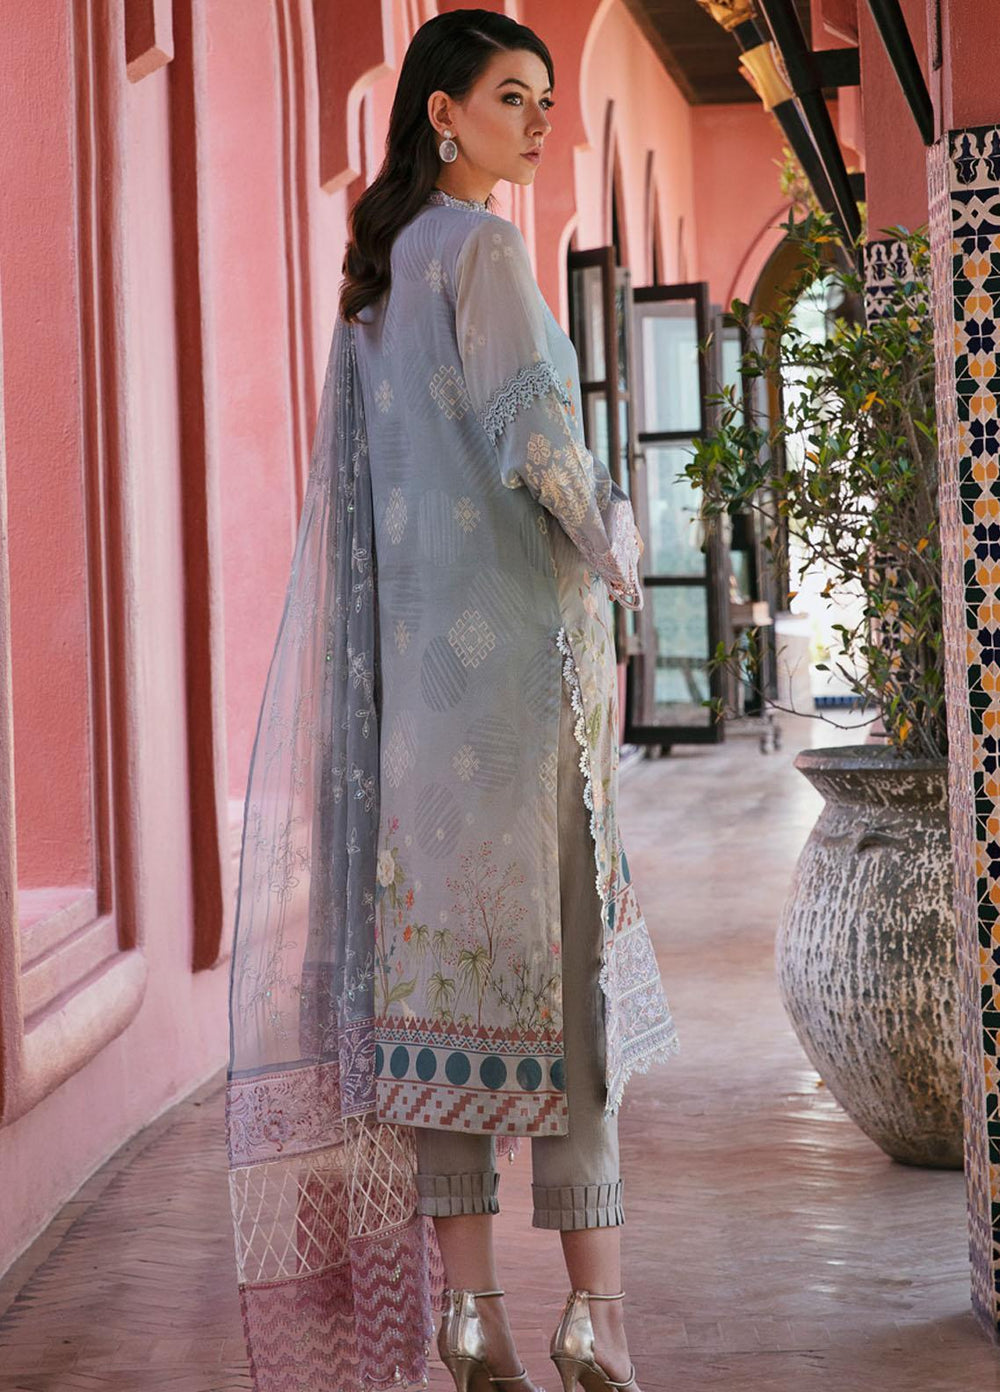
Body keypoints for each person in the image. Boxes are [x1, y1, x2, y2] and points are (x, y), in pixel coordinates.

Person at [225, 11, 679, 1392]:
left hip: (419, 726)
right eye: (512, 97)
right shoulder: (482, 250)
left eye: (546, 99)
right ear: (443, 111)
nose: (539, 122)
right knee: (570, 1003)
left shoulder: (374, 285)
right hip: (526, 707)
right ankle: (596, 1317)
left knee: (442, 1008)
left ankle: (471, 1313)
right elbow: (538, 436)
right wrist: (621, 540)